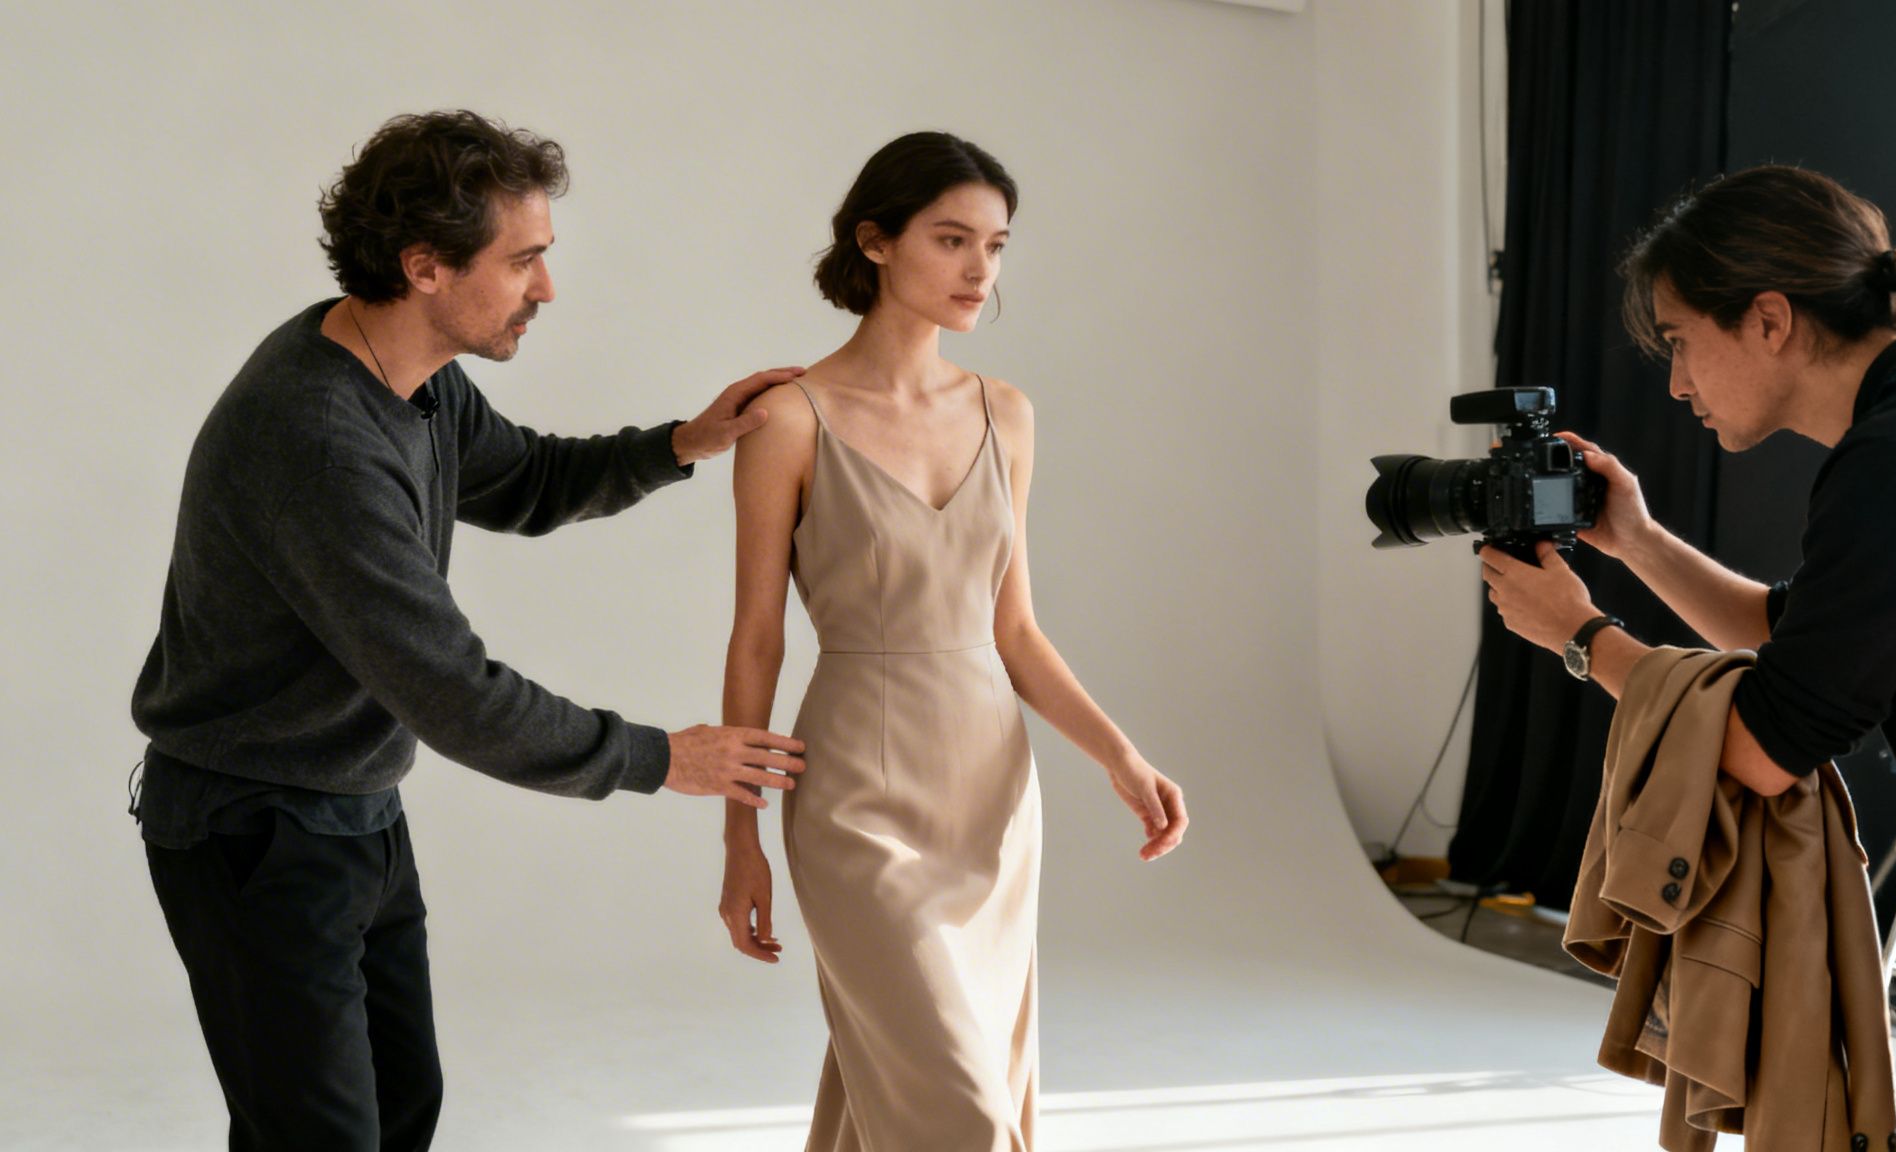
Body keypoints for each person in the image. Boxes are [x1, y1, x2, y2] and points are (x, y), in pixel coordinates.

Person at [131, 110, 807, 1151]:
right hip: (254, 830)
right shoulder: (316, 438)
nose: (547, 288)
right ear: (425, 267)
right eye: (524, 260)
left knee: (400, 1115)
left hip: (354, 811)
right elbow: (451, 690)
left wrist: (683, 443)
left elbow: (527, 479)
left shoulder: (416, 379)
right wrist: (657, 758)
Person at [1478, 164, 1896, 1150]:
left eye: (1680, 343)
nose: (1675, 382)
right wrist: (1638, 543)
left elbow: (1760, 745)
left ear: (1769, 321)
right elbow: (1799, 637)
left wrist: (1576, 636)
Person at [717, 131, 1190, 1150]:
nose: (981, 270)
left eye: (996, 244)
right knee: (955, 1113)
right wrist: (737, 834)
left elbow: (1011, 629)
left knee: (903, 1082)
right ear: (875, 243)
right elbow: (755, 637)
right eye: (950, 239)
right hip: (852, 792)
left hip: (988, 795)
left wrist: (1120, 754)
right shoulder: (787, 421)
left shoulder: (1006, 415)